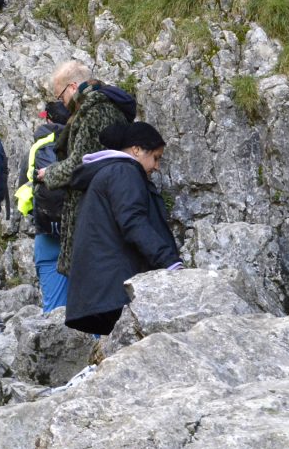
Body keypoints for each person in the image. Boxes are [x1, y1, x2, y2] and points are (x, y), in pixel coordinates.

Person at [63, 121, 182, 336]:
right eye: (156, 157)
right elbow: (133, 221)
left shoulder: (107, 173)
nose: (157, 167)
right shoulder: (124, 172)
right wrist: (170, 262)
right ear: (136, 150)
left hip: (104, 287)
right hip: (118, 286)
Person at [35, 61, 136, 279]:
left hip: (94, 211)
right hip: (102, 205)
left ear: (72, 87)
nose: (61, 103)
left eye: (60, 95)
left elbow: (82, 164)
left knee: (91, 279)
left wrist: (49, 173)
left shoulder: (95, 111)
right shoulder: (103, 107)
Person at [16, 99, 72, 311]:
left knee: (54, 310)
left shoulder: (37, 147)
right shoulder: (79, 142)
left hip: (47, 232)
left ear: (48, 119)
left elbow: (24, 192)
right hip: (79, 231)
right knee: (88, 309)